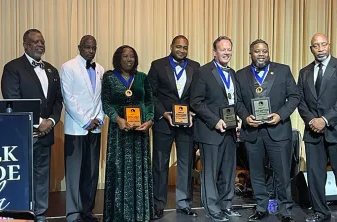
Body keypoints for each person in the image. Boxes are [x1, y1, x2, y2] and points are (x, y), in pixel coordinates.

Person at [1, 29, 63, 222]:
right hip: (23, 136)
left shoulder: (51, 69)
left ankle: (41, 215)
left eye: (42, 41)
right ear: (25, 45)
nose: (40, 45)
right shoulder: (13, 68)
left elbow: (57, 101)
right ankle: (23, 217)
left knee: (42, 178)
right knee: (23, 179)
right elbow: (12, 99)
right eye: (35, 42)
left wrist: (51, 122)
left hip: (45, 135)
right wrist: (37, 123)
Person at [235, 39, 300, 222]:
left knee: (282, 174)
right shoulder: (240, 75)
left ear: (269, 52)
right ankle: (261, 208)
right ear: (251, 53)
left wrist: (280, 115)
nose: (261, 54)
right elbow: (237, 102)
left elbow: (295, 97)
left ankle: (285, 210)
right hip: (253, 132)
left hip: (278, 130)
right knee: (256, 174)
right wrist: (246, 116)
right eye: (257, 51)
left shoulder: (283, 70)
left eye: (264, 50)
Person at [147, 35, 200, 219]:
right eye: (178, 47)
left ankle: (184, 203)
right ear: (171, 46)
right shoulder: (157, 65)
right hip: (164, 123)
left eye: (185, 47)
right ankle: (157, 204)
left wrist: (193, 112)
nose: (182, 50)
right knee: (160, 165)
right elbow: (150, 94)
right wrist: (163, 113)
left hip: (187, 124)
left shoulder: (195, 66)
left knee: (186, 164)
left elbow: (198, 94)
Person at [190, 36, 241, 221]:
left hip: (230, 131)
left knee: (228, 172)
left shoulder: (233, 73)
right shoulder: (203, 72)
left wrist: (239, 118)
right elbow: (196, 102)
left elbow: (234, 101)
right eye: (222, 49)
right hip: (210, 131)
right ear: (214, 52)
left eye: (229, 49)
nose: (226, 52)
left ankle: (226, 205)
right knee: (210, 174)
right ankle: (212, 209)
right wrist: (214, 121)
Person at [102, 45, 154, 222]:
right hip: (119, 133)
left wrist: (149, 121)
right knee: (119, 170)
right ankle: (118, 215)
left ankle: (141, 213)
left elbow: (148, 102)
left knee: (138, 171)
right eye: (125, 56)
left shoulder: (142, 78)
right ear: (118, 58)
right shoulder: (109, 77)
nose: (129, 59)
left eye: (132, 56)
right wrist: (118, 119)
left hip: (139, 134)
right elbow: (106, 103)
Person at [60, 35, 105, 222]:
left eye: (94, 48)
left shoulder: (100, 69)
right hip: (76, 128)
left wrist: (100, 118)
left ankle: (88, 210)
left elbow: (101, 98)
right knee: (75, 173)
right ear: (79, 47)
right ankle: (73, 213)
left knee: (91, 172)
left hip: (95, 128)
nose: (91, 51)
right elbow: (68, 98)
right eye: (87, 47)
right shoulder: (68, 67)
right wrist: (86, 121)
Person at [298, 33, 337, 222]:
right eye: (316, 45)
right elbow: (300, 100)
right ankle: (321, 213)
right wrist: (312, 121)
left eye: (323, 44)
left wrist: (325, 119)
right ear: (311, 49)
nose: (320, 48)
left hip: (336, 129)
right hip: (312, 131)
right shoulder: (304, 71)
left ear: (329, 45)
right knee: (315, 176)